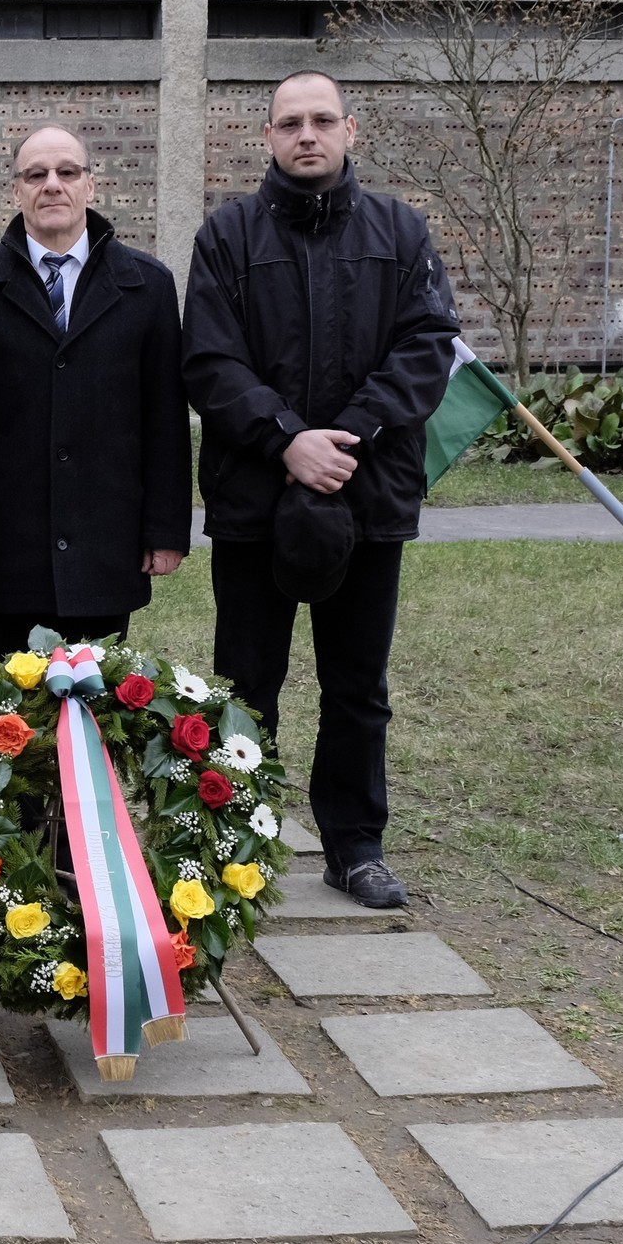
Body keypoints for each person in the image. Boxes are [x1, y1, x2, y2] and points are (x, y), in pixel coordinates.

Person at [184, 70, 459, 908]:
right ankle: (236, 845)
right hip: (255, 503)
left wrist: (349, 437)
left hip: (368, 499)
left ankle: (355, 846)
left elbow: (428, 345)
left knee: (357, 689)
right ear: (267, 136)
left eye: (322, 120)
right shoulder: (227, 236)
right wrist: (286, 439)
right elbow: (210, 360)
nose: (307, 134)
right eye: (290, 122)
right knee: (244, 687)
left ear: (350, 129)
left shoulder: (400, 232)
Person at [0, 125, 190, 658]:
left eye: (67, 172)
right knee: (10, 704)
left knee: (100, 701)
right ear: (16, 190)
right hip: (10, 547)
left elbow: (165, 418)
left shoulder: (147, 287)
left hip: (108, 537)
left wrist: (166, 528)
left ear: (91, 185)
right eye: (36, 174)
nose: (52, 185)